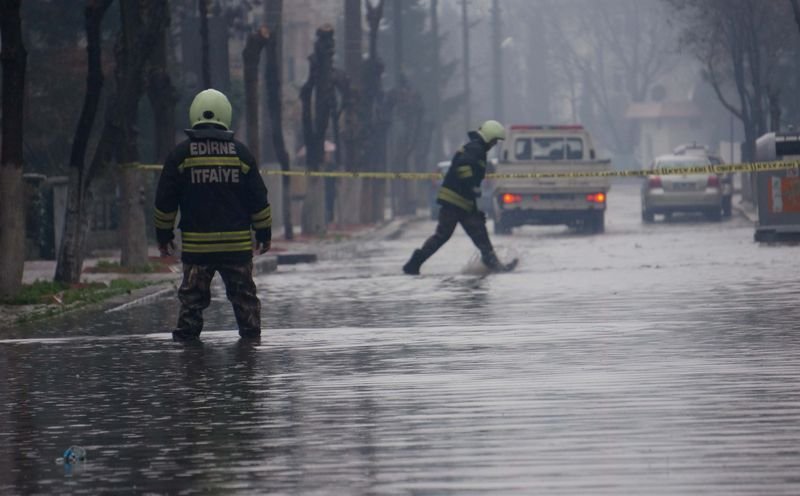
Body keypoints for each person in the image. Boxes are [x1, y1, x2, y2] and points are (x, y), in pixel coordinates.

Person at [154, 88, 272, 341]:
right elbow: (259, 201)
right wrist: (264, 233)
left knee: (191, 306)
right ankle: (250, 359)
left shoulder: (180, 156)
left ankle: (190, 366)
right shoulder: (241, 155)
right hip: (236, 248)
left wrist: (163, 236)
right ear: (226, 116)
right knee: (246, 306)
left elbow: (165, 202)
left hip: (198, 249)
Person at [403, 120, 516, 275]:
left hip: (463, 203)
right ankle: (414, 263)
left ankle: (493, 264)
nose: (495, 144)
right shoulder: (475, 149)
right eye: (495, 140)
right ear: (489, 137)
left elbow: (469, 180)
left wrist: (475, 205)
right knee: (443, 235)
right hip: (454, 201)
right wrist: (471, 185)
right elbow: (463, 167)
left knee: (480, 232)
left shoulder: (476, 148)